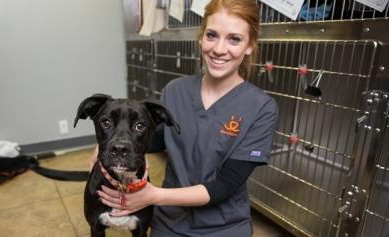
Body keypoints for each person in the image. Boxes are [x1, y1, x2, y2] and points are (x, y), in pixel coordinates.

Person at [94, 0, 278, 236]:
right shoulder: (175, 90)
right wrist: (110, 144)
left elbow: (224, 186)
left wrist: (153, 196)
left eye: (234, 39)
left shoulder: (261, 108)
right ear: (201, 37)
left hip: (224, 227)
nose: (220, 49)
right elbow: (155, 140)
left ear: (250, 45)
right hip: (170, 222)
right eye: (212, 35)